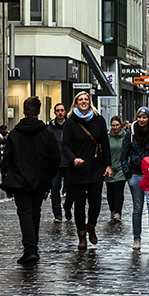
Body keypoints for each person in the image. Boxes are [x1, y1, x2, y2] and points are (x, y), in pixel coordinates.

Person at [0, 96, 60, 264]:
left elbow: (7, 158)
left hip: (20, 180)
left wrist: (6, 178)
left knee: (25, 213)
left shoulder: (15, 133)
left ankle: (30, 249)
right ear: (39, 111)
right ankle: (33, 248)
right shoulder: (47, 133)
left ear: (24, 111)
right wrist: (48, 178)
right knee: (35, 213)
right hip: (40, 180)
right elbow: (55, 158)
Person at [61, 91, 113, 250]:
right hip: (78, 168)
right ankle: (81, 235)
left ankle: (91, 225)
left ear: (90, 102)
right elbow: (65, 145)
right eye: (80, 100)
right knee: (79, 204)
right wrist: (73, 159)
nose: (83, 102)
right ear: (76, 103)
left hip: (96, 166)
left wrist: (108, 165)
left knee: (96, 202)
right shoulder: (70, 122)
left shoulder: (99, 120)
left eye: (86, 99)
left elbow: (105, 143)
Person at [122, 107, 149, 252]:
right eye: (139, 117)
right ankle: (137, 238)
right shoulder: (130, 134)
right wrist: (128, 175)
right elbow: (123, 155)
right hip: (136, 175)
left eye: (145, 117)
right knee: (137, 208)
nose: (142, 120)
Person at [47, 103, 72, 222]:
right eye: (58, 110)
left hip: (68, 161)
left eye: (62, 110)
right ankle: (57, 214)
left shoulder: (71, 125)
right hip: (55, 163)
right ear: (55, 112)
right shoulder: (50, 128)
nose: (60, 112)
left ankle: (67, 206)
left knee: (71, 188)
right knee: (54, 188)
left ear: (65, 111)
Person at [104, 116, 127, 224]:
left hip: (121, 167)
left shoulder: (126, 137)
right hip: (109, 167)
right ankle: (112, 210)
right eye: (113, 125)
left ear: (121, 125)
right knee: (110, 191)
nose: (115, 127)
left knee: (119, 189)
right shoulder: (107, 137)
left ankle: (118, 212)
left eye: (117, 125)